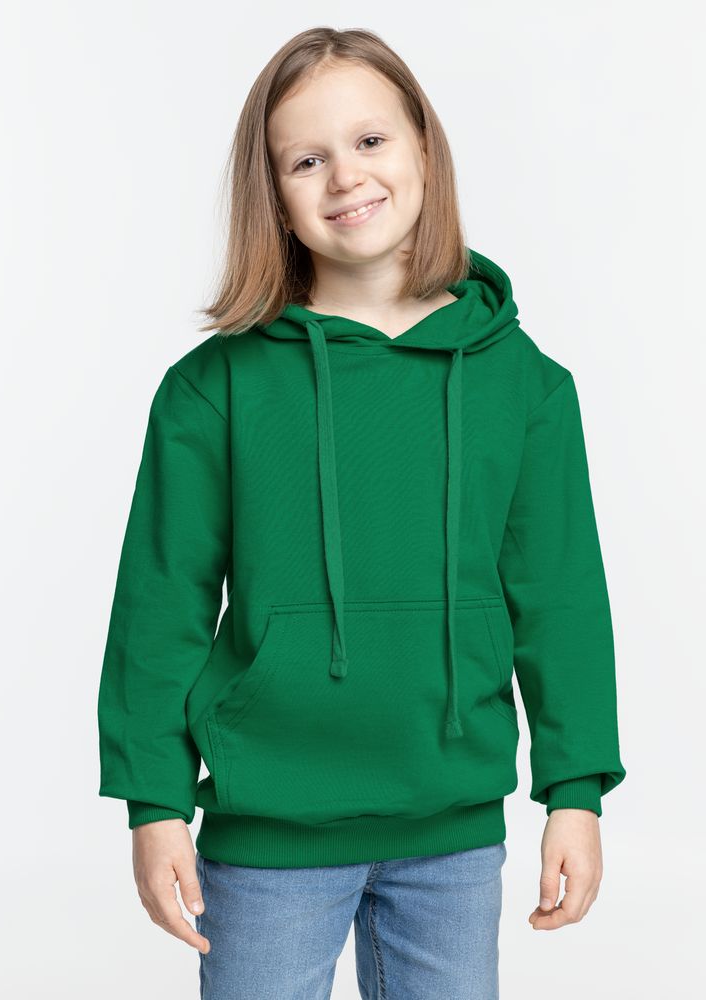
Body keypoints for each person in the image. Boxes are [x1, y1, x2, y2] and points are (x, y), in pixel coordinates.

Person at [96, 26, 626, 999]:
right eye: (307, 159)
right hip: (268, 832)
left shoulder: (526, 385)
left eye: (371, 140)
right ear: (273, 193)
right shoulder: (212, 390)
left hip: (453, 833)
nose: (346, 175)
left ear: (424, 145)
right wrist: (153, 801)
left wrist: (576, 789)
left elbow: (560, 600)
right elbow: (161, 603)